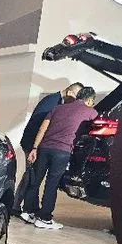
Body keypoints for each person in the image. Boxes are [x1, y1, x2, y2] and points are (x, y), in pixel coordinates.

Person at [20, 86, 98, 230]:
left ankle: (28, 211)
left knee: (36, 180)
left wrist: (35, 148)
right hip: (62, 151)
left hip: (43, 148)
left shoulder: (58, 108)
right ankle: (44, 218)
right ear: (89, 100)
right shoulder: (90, 112)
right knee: (52, 184)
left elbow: (43, 128)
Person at [15, 82, 84, 211]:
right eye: (75, 97)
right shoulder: (52, 101)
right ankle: (19, 206)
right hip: (32, 143)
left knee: (33, 176)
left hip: (36, 144)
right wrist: (35, 147)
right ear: (69, 92)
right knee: (32, 176)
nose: (75, 102)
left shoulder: (56, 101)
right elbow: (38, 124)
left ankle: (26, 206)